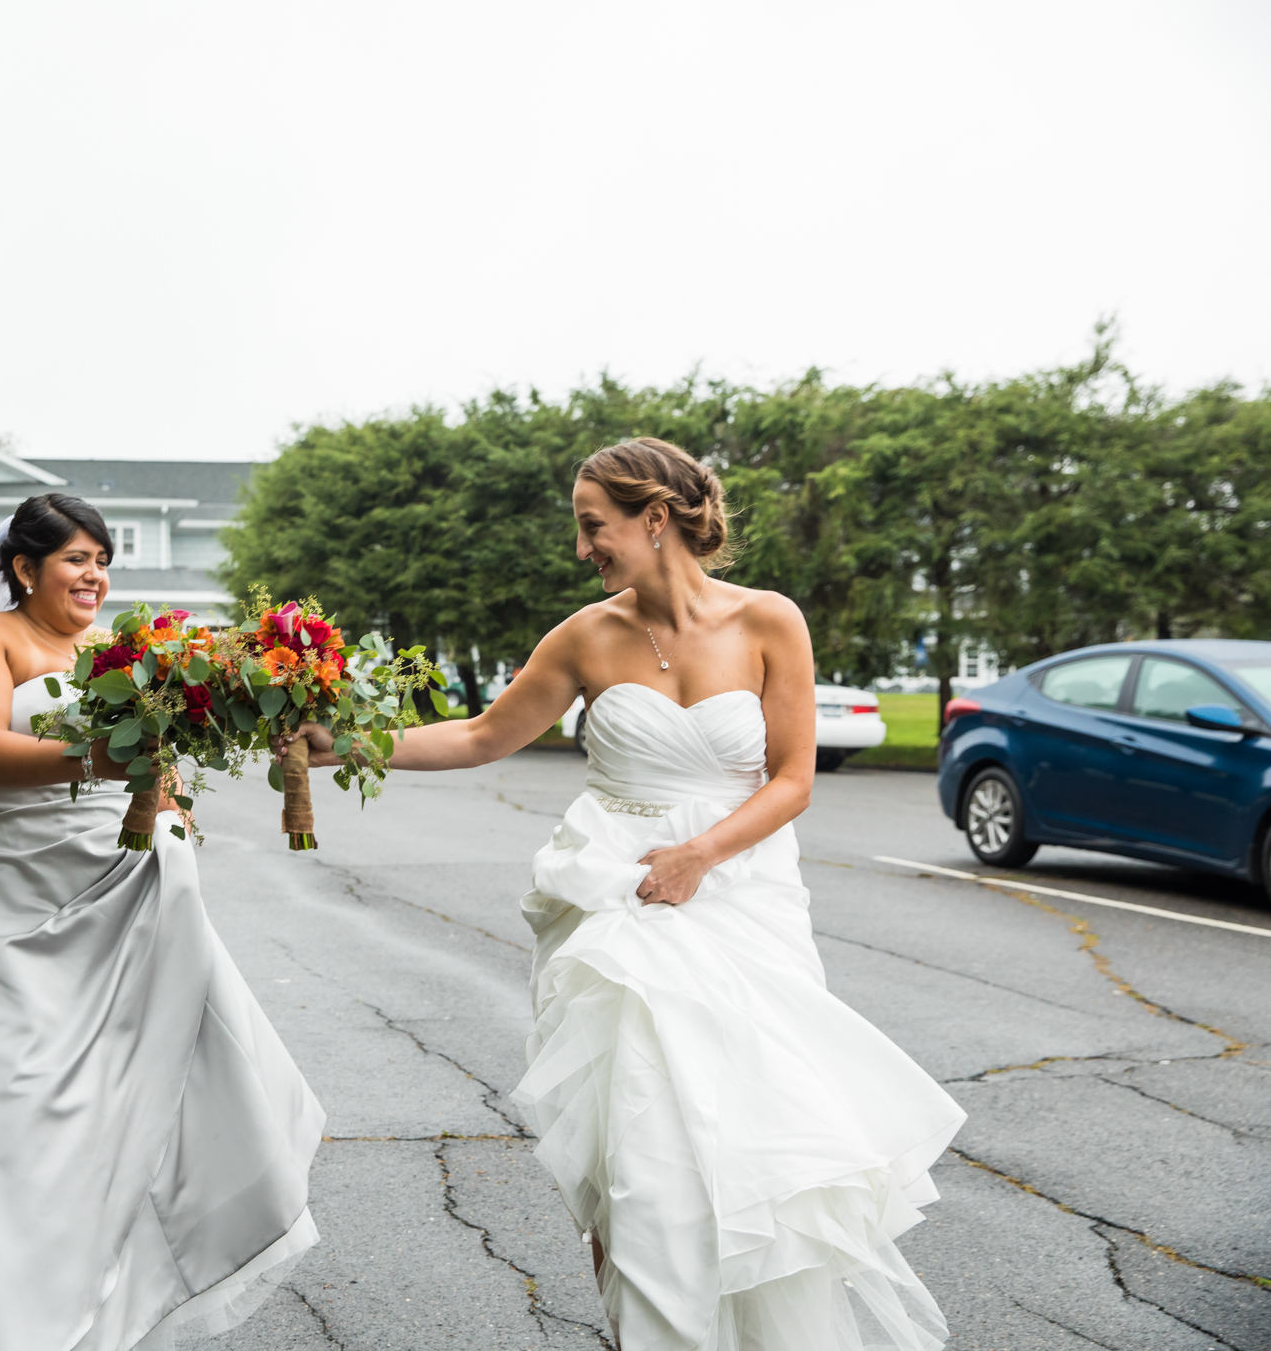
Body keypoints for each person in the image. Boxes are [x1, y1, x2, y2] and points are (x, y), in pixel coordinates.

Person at [282, 438, 966, 1350]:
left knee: (752, 1137)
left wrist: (699, 856)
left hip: (741, 900)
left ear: (655, 517)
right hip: (617, 901)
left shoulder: (770, 622)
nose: (581, 549)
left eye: (591, 526)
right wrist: (343, 747)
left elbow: (794, 779)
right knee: (635, 1153)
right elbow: (486, 736)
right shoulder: (586, 636)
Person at [0, 492, 324, 1351]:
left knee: (131, 1113)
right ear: (24, 569)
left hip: (123, 900)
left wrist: (168, 794)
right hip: (6, 910)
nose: (94, 575)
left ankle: (102, 1317)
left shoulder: (120, 655)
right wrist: (96, 756)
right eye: (75, 559)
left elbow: (153, 758)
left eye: (101, 559)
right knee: (8, 1123)